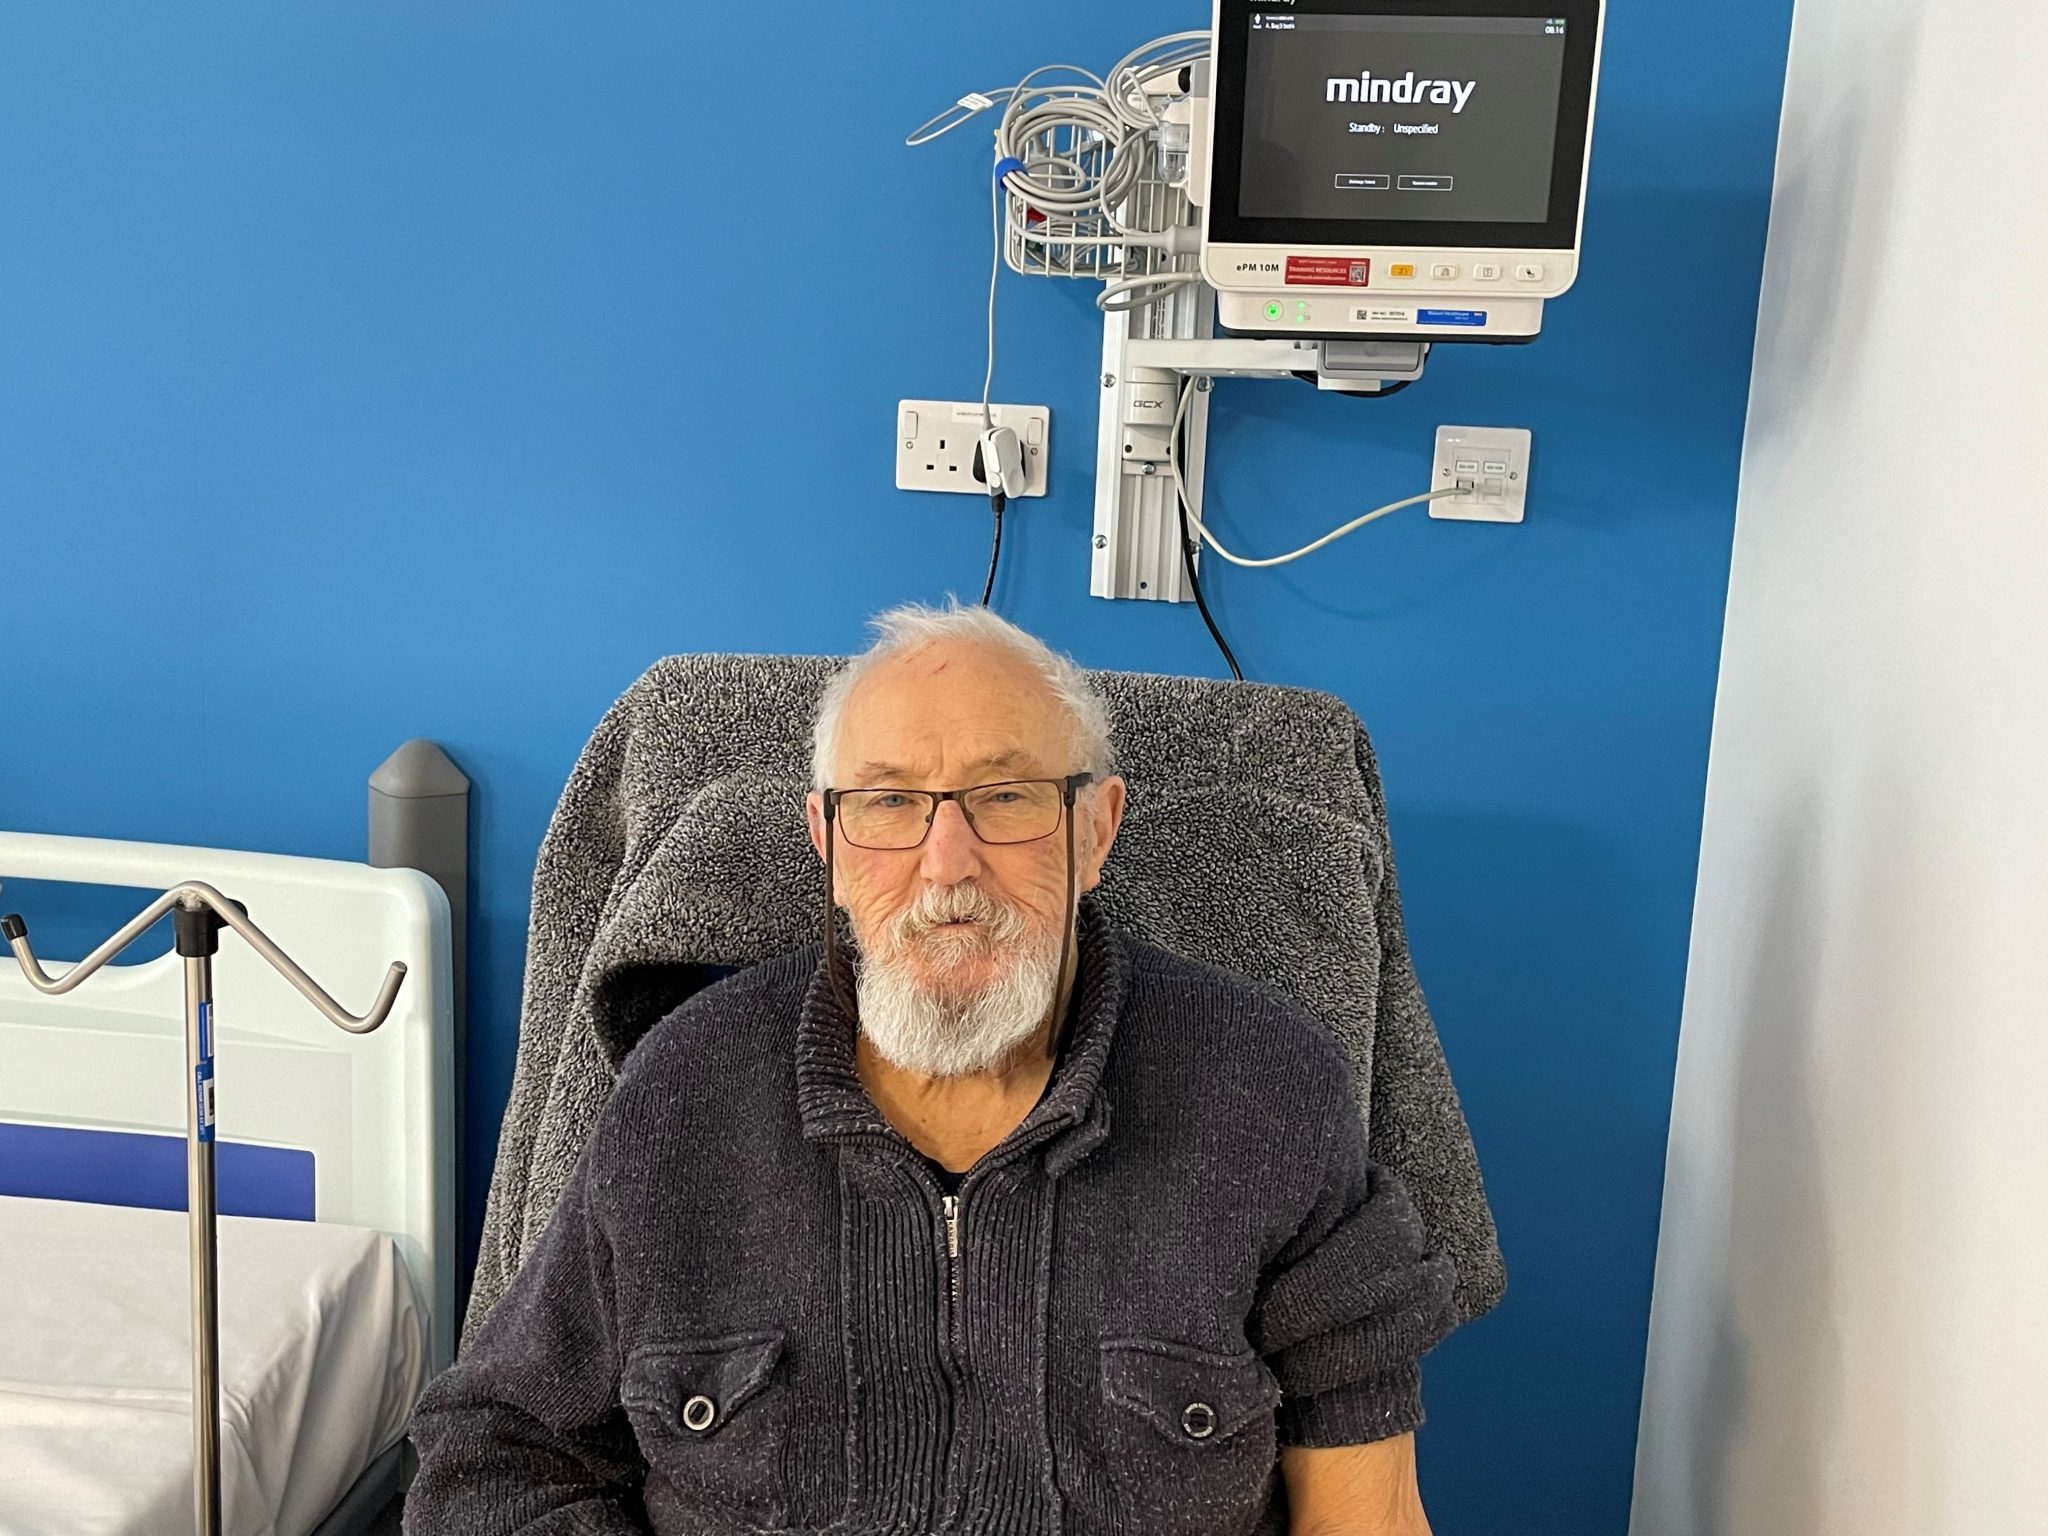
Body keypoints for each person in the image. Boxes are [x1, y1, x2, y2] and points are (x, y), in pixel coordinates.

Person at [406, 600, 1460, 1535]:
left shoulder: (1271, 1096)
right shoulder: (688, 1090)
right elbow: (497, 1453)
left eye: (1004, 798)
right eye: (887, 803)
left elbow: (1365, 1516)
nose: (944, 867)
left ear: (1094, 830)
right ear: (824, 837)